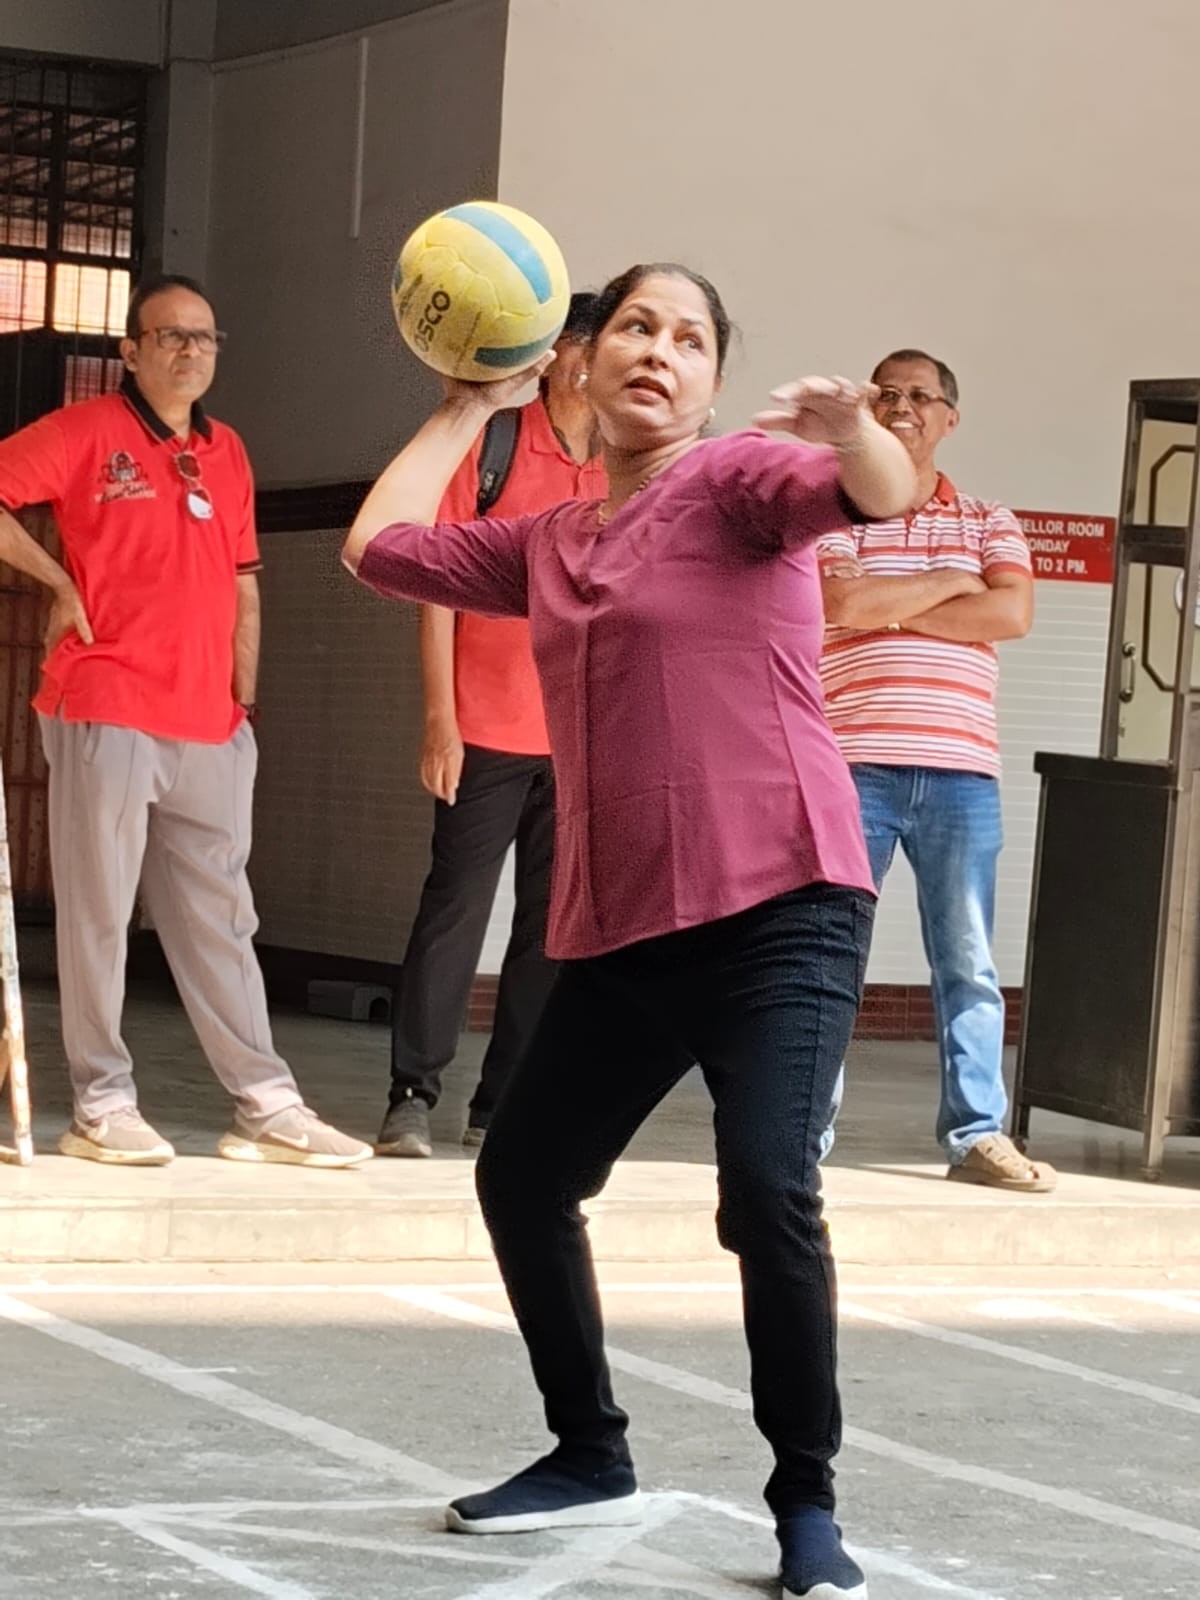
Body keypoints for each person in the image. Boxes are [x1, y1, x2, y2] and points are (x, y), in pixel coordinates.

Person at [344, 263, 917, 1599]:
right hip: (625, 930)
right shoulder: (547, 541)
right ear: (582, 363)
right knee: (522, 1177)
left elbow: (880, 493)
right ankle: (588, 1451)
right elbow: (375, 549)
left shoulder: (742, 484)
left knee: (767, 1189)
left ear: (712, 381)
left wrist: (853, 429)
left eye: (690, 338)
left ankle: (806, 1501)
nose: (660, 351)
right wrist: (465, 404)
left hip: (781, 906)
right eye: (636, 329)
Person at [0, 274, 371, 1170]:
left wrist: (243, 704)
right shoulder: (84, 433)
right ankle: (101, 1104)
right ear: (130, 351)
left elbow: (245, 582)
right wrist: (57, 584)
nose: (191, 351)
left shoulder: (226, 450)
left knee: (221, 918)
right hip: (106, 701)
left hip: (210, 722)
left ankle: (266, 1105)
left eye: (205, 338)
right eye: (171, 336)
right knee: (98, 913)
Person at [816, 349, 1054, 1192]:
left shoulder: (990, 518)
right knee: (828, 956)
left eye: (921, 395)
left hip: (961, 772)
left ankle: (977, 1135)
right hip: (852, 766)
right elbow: (839, 605)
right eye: (887, 393)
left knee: (969, 963)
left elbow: (1011, 612)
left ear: (949, 417)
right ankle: (803, 1134)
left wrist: (892, 606)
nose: (902, 405)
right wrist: (950, 583)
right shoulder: (835, 516)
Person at [378, 293, 606, 1158]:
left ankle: (502, 1106)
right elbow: (434, 583)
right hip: (485, 725)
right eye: (581, 345)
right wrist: (440, 719)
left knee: (551, 927)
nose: (590, 364)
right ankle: (412, 1094)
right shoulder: (497, 442)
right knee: (454, 912)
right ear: (555, 359)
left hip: (579, 740)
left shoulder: (624, 463)